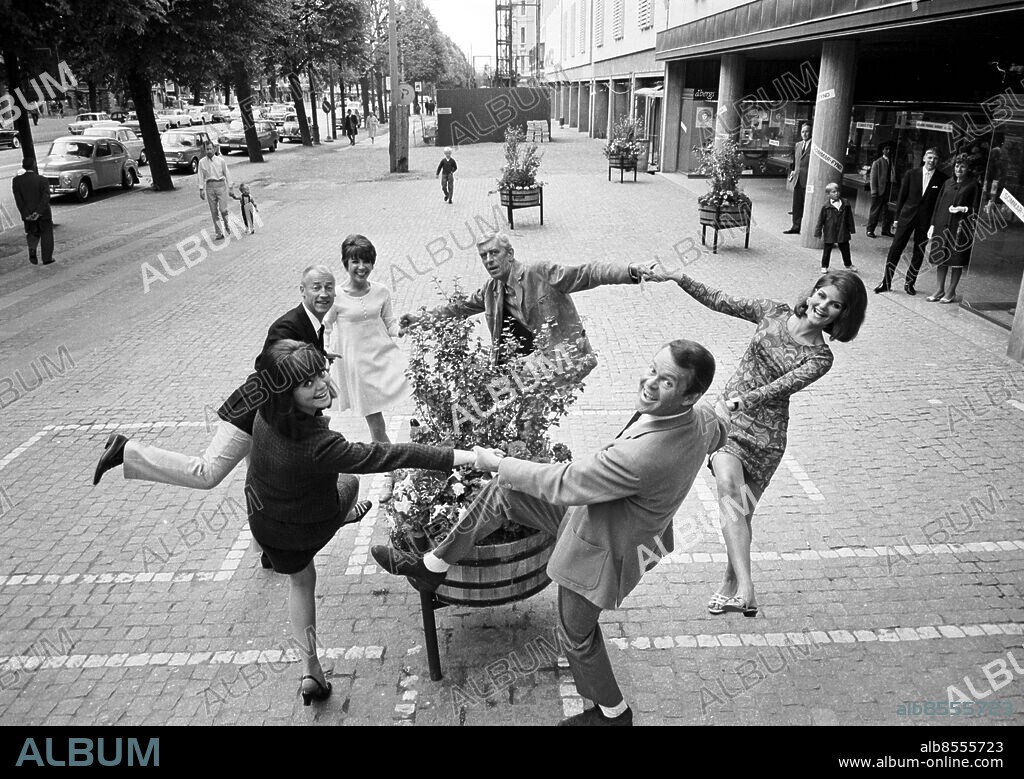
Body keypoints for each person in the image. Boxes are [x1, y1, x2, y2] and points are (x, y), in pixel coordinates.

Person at [371, 341, 728, 726]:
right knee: (504, 493)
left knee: (576, 634)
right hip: (594, 518)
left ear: (690, 395)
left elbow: (566, 482)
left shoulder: (642, 457)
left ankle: (612, 714)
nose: (651, 382)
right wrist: (729, 416)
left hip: (601, 550)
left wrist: (499, 462)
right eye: (652, 369)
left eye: (667, 381)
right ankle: (433, 565)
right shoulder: (702, 418)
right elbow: (719, 429)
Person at [243, 340, 476, 704]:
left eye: (321, 372)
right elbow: (391, 454)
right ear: (286, 394)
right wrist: (466, 457)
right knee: (349, 484)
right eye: (307, 382)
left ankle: (311, 672)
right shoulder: (320, 447)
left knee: (300, 581)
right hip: (310, 523)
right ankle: (341, 518)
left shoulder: (264, 409)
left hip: (264, 522)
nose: (321, 384)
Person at [649, 265, 867, 618]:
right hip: (729, 424)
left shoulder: (820, 358)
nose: (823, 306)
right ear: (812, 293)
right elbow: (719, 300)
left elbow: (781, 388)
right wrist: (680, 277)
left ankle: (730, 583)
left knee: (741, 514)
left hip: (767, 437)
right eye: (821, 295)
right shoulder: (773, 312)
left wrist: (742, 399)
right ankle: (748, 589)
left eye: (836, 305)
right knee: (728, 489)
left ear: (844, 315)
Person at [93, 267, 337, 492]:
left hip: (268, 420)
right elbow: (268, 368)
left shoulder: (312, 323)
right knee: (206, 473)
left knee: (263, 489)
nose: (324, 294)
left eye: (329, 287)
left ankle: (272, 537)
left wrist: (321, 358)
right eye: (316, 287)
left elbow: (296, 362)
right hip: (252, 414)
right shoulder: (287, 326)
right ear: (302, 291)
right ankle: (126, 451)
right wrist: (318, 376)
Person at [399, 232, 651, 382]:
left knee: (525, 416)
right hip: (532, 364)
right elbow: (457, 309)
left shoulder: (539, 273)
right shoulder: (491, 290)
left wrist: (629, 271)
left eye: (494, 253)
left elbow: (588, 273)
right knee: (508, 407)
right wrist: (420, 320)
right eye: (483, 256)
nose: (489, 260)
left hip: (564, 357)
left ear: (510, 254)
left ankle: (531, 464)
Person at [324, 235, 410, 500]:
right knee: (375, 421)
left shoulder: (382, 291)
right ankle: (393, 474)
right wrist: (324, 351)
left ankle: (393, 470)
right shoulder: (335, 296)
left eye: (367, 261)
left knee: (382, 419)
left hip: (382, 360)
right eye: (355, 261)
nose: (361, 267)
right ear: (345, 263)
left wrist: (402, 329)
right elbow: (325, 327)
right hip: (354, 367)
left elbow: (390, 323)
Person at [874, 147, 948, 296]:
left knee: (919, 251)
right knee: (896, 248)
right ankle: (886, 281)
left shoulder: (942, 179)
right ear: (924, 158)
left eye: (935, 158)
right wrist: (896, 218)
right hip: (907, 216)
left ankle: (909, 282)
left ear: (938, 161)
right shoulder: (911, 174)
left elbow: (939, 204)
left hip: (925, 220)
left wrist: (933, 224)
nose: (932, 161)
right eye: (930, 157)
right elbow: (902, 197)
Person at [926, 153, 979, 304]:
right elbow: (938, 204)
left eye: (962, 166)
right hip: (942, 225)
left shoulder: (972, 185)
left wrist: (964, 209)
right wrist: (933, 224)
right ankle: (939, 289)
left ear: (968, 169)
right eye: (957, 166)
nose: (959, 169)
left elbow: (976, 208)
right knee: (941, 258)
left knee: (956, 260)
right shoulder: (947, 183)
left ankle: (951, 291)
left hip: (960, 228)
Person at [11, 158, 54, 266]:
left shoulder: (17, 181)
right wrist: (38, 212)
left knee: (31, 233)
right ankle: (47, 258)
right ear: (34, 165)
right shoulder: (42, 180)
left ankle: (32, 249)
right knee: (46, 234)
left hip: (27, 214)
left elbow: (19, 200)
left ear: (23, 166)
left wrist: (26, 214)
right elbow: (46, 197)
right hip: (43, 214)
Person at [813, 182, 857, 273]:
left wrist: (851, 229)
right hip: (830, 230)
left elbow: (849, 217)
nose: (836, 193)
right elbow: (820, 220)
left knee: (845, 248)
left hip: (842, 230)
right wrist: (818, 232)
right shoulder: (826, 206)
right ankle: (824, 265)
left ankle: (848, 264)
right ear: (828, 194)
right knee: (827, 249)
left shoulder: (846, 203)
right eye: (833, 192)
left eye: (837, 191)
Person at [197, 142, 232, 239]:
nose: (208, 151)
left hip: (220, 185)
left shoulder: (220, 161)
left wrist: (231, 187)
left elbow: (227, 173)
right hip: (209, 187)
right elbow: (200, 176)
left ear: (214, 149)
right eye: (206, 149)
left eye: (210, 149)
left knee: (223, 209)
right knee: (214, 211)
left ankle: (226, 224)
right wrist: (201, 189)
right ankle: (219, 232)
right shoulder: (202, 162)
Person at [783, 123, 812, 234]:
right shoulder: (798, 145)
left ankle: (806, 228)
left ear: (811, 132)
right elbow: (796, 162)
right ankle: (796, 226)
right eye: (802, 132)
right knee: (796, 205)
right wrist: (793, 173)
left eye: (807, 131)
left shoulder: (814, 145)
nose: (804, 134)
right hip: (798, 179)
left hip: (808, 179)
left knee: (807, 205)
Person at [866, 143, 895, 238]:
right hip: (879, 191)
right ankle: (870, 230)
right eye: (886, 149)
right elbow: (873, 178)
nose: (888, 151)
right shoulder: (877, 162)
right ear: (882, 150)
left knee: (888, 211)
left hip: (889, 190)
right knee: (875, 211)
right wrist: (874, 191)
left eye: (889, 149)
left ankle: (886, 230)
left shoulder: (892, 162)